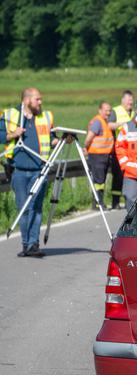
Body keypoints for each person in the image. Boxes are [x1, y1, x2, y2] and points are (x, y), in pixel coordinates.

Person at [1, 88, 55, 257]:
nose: (40, 102)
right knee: (23, 209)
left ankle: (34, 244)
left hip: (39, 170)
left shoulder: (45, 117)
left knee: (36, 208)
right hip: (18, 171)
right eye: (37, 99)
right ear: (26, 100)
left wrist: (62, 140)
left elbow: (51, 138)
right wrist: (12, 135)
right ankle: (26, 244)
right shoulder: (10, 115)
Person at [84, 102, 115, 208]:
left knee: (101, 180)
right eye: (106, 110)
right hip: (97, 155)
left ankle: (99, 202)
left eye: (109, 110)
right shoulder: (98, 122)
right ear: (100, 110)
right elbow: (89, 138)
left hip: (103, 155)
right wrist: (86, 148)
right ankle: (98, 203)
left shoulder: (104, 121)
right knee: (99, 180)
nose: (108, 112)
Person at [108, 90, 134, 210]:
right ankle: (115, 201)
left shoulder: (134, 112)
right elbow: (110, 125)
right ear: (123, 100)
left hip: (132, 149)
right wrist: (123, 123)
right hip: (119, 148)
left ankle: (129, 198)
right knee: (117, 175)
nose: (130, 103)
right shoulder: (116, 110)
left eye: (132, 101)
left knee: (129, 175)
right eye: (129, 101)